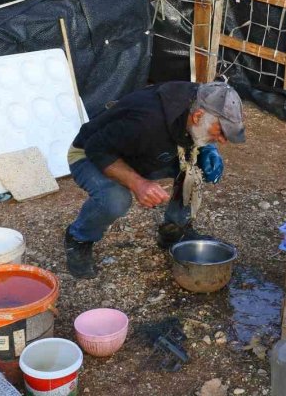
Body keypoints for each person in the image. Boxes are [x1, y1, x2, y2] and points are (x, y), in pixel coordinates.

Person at [64, 81, 246, 279]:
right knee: (116, 199)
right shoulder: (146, 121)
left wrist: (208, 149)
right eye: (220, 131)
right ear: (198, 116)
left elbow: (191, 134)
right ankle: (79, 239)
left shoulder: (202, 98)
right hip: (90, 153)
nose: (223, 140)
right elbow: (95, 148)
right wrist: (138, 183)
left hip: (141, 153)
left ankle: (174, 231)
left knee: (194, 167)